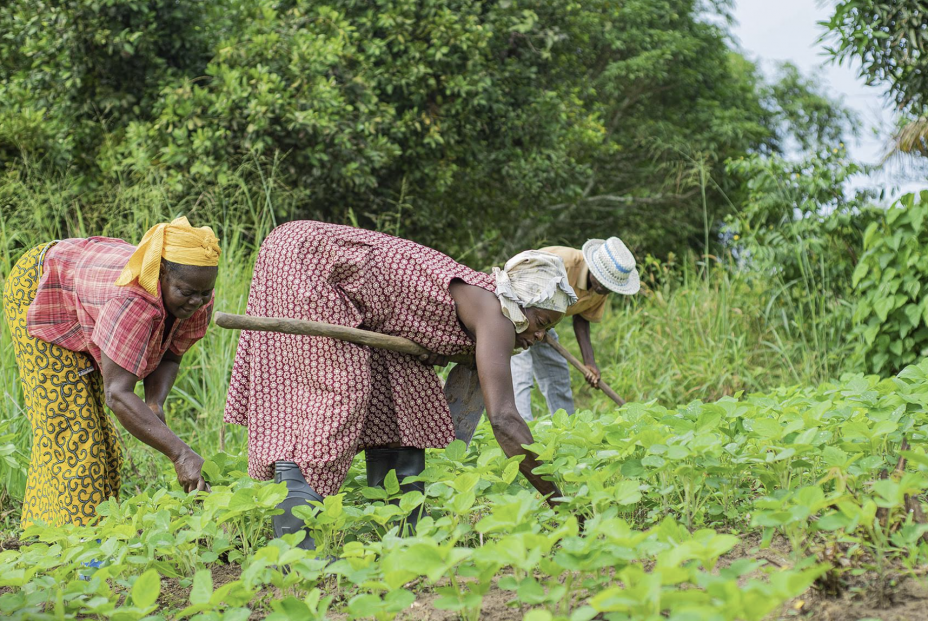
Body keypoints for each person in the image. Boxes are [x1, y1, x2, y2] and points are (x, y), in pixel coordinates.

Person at [223, 221, 577, 549]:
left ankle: (403, 538)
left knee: (405, 393)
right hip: (310, 260)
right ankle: (299, 554)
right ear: (521, 303)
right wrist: (558, 501)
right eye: (541, 321)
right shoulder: (497, 316)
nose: (541, 335)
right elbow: (504, 419)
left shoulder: (483, 300)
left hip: (340, 280)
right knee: (330, 398)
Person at [3, 217, 220, 528]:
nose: (197, 301)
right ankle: (74, 544)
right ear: (159, 274)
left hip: (88, 289)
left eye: (206, 292)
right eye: (187, 291)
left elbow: (171, 353)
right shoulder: (132, 303)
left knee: (104, 440)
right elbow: (117, 394)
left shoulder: (196, 297)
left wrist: (154, 402)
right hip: (43, 283)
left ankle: (56, 531)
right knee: (75, 434)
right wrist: (182, 455)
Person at [510, 237, 640, 421]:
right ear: (595, 268)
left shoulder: (602, 288)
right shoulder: (563, 264)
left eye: (608, 287)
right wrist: (528, 326)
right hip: (518, 316)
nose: (603, 290)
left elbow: (582, 318)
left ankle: (568, 429)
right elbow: (520, 289)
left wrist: (590, 363)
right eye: (602, 283)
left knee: (557, 374)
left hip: (545, 327)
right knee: (520, 375)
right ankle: (521, 434)